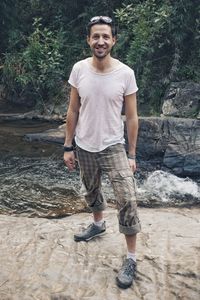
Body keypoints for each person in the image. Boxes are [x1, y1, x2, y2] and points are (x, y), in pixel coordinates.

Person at [63, 16, 141, 289]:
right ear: (88, 40)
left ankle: (131, 258)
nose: (100, 41)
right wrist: (67, 146)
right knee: (91, 188)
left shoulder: (125, 73)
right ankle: (98, 224)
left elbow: (132, 118)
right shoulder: (79, 69)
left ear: (114, 40)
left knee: (128, 199)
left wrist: (131, 155)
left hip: (113, 145)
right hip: (84, 144)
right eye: (95, 36)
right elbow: (73, 110)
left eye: (105, 37)